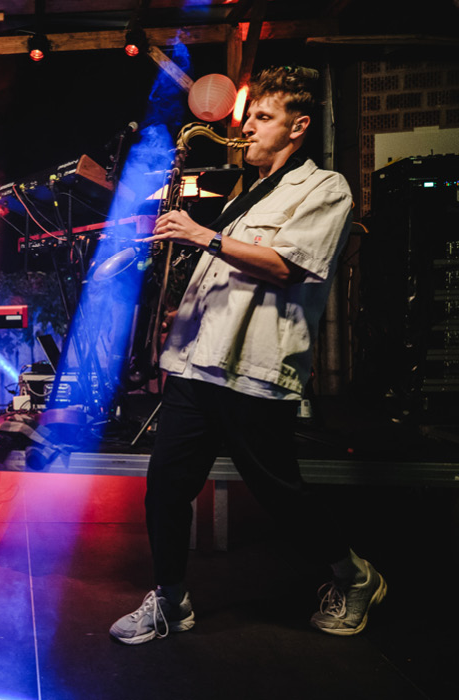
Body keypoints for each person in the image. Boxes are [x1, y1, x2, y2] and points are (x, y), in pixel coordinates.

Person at [109, 66, 386, 644]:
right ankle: (171, 600)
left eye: (263, 117)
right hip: (194, 365)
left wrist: (202, 235)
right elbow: (229, 270)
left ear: (297, 127)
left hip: (254, 371)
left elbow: (288, 267)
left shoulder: (325, 188)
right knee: (165, 487)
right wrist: (181, 310)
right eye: (250, 116)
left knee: (279, 494)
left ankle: (354, 576)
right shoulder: (245, 193)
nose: (248, 128)